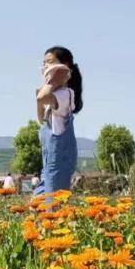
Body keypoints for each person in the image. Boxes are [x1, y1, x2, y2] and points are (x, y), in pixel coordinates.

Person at [34, 46, 82, 195]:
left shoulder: (64, 94)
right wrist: (41, 92)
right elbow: (41, 120)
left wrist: (55, 80)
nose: (45, 66)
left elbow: (41, 98)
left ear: (64, 66)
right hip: (48, 167)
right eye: (44, 63)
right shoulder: (52, 99)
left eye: (50, 62)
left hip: (59, 165)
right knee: (38, 206)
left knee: (53, 208)